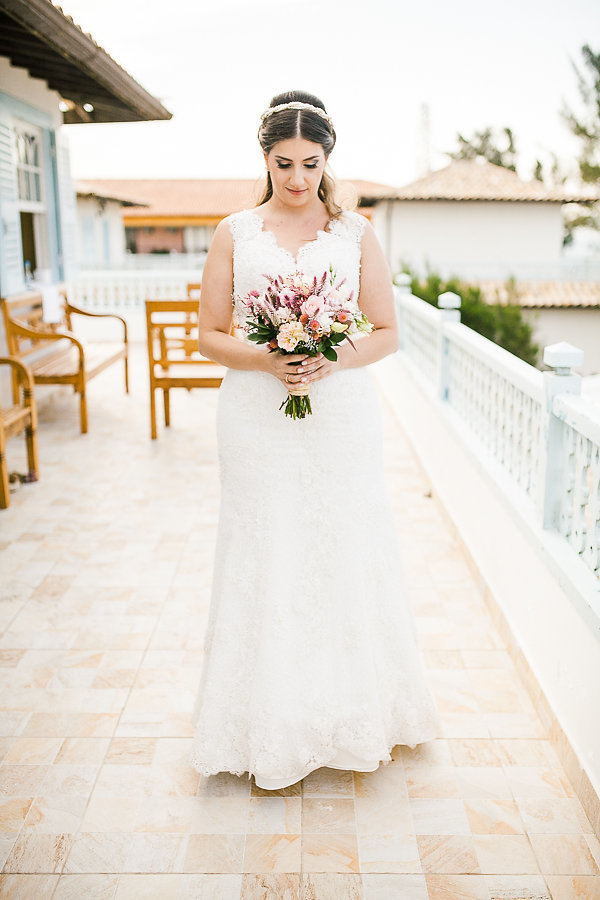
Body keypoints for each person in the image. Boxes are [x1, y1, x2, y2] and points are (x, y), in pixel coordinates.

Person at [189, 90, 441, 790]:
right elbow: (209, 334)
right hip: (254, 416)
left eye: (309, 162)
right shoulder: (233, 232)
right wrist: (269, 359)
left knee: (343, 546)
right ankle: (263, 722)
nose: (297, 178)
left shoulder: (356, 233)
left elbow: (387, 332)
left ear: (328, 159)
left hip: (340, 417)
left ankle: (355, 715)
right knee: (264, 545)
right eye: (283, 163)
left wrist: (332, 357)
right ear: (264, 159)